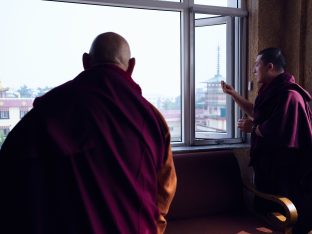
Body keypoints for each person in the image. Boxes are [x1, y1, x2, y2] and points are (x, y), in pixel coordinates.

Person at [0, 32, 177, 234]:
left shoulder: (50, 109)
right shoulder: (152, 118)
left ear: (86, 61)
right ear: (131, 66)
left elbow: (10, 166)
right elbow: (164, 193)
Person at [221, 48, 312, 233]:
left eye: (257, 64)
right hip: (271, 168)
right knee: (269, 214)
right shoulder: (273, 91)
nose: (254, 70)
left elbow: (279, 131)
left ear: (270, 67)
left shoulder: (290, 95)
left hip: (288, 173)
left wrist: (252, 128)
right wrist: (234, 94)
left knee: (286, 217)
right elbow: (258, 113)